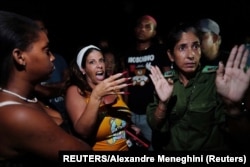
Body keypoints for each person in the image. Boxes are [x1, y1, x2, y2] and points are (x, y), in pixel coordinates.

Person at [0, 10, 91, 165]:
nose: (52, 57)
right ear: (20, 57)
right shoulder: (17, 115)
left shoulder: (27, 97)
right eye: (46, 51)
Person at [146, 22, 250, 151]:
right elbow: (155, 125)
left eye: (196, 46)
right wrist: (163, 103)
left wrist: (233, 107)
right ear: (171, 55)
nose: (191, 55)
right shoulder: (165, 82)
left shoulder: (216, 81)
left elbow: (242, 137)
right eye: (182, 48)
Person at [64, 45, 140, 151]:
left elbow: (119, 118)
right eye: (92, 62)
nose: (99, 65)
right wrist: (96, 96)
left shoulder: (112, 86)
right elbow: (83, 132)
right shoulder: (76, 91)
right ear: (83, 69)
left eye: (101, 60)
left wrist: (129, 126)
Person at [122, 14, 171, 150]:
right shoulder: (128, 53)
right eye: (139, 25)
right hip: (132, 113)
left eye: (147, 27)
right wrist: (126, 110)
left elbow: (169, 77)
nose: (142, 29)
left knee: (153, 148)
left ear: (154, 32)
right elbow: (126, 83)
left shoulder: (160, 52)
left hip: (152, 114)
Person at [33, 18, 70, 127]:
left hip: (65, 110)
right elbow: (43, 91)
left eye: (42, 28)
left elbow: (67, 84)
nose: (52, 58)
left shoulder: (59, 59)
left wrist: (46, 86)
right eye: (35, 29)